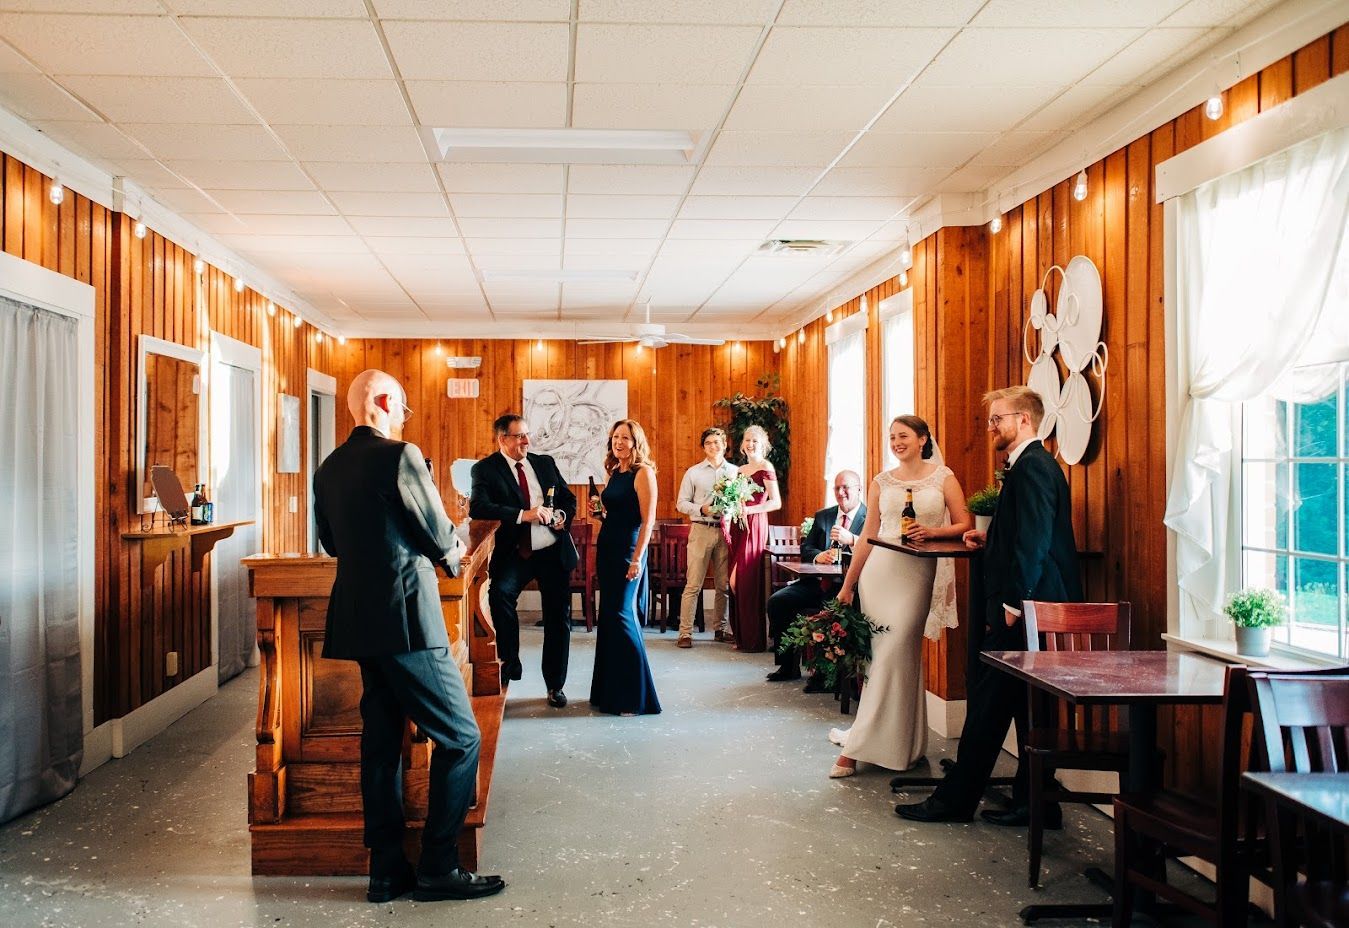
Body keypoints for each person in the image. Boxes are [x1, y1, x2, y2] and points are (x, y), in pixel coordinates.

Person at [313, 369, 504, 903]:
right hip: (406, 617)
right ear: (383, 401)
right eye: (402, 406)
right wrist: (451, 553)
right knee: (461, 737)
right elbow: (439, 533)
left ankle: (386, 870)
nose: (404, 417)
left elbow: (331, 543)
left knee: (381, 744)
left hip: (357, 619)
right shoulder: (401, 455)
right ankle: (439, 866)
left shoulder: (328, 468)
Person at [897, 387, 1080, 824]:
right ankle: (1036, 801)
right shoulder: (1031, 465)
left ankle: (955, 801)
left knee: (987, 706)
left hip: (1028, 609)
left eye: (998, 418)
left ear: (1024, 420)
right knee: (1017, 705)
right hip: (1032, 607)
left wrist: (1014, 605)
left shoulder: (1033, 467)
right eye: (991, 419)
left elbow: (1035, 542)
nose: (992, 427)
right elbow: (1024, 532)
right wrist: (990, 537)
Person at [828, 416, 969, 778]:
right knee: (882, 660)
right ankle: (898, 745)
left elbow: (965, 523)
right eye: (892, 437)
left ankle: (865, 747)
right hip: (879, 573)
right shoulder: (881, 481)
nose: (896, 442)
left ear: (922, 439)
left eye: (903, 436)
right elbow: (868, 534)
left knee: (898, 654)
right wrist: (848, 585)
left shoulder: (943, 477)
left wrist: (933, 533)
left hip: (916, 575)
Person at [469, 414, 578, 708]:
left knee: (558, 617)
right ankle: (510, 661)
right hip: (516, 553)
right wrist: (523, 515)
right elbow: (478, 507)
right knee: (499, 595)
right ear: (502, 439)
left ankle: (555, 685)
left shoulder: (544, 463)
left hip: (552, 549)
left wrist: (562, 517)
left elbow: (568, 500)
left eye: (527, 435)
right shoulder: (485, 469)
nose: (526, 441)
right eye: (519, 436)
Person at [589, 420, 662, 716]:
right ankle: (607, 693)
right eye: (615, 437)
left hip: (628, 551)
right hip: (607, 546)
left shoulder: (643, 473)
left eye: (625, 438)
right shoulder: (614, 472)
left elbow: (648, 521)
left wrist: (637, 559)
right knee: (608, 617)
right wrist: (600, 515)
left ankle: (634, 697)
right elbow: (616, 514)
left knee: (622, 615)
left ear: (636, 442)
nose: (619, 442)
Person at [766, 470, 865, 684]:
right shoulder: (824, 516)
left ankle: (825, 675)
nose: (841, 492)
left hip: (847, 587)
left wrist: (852, 539)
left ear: (859, 489)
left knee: (829, 608)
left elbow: (873, 548)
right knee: (778, 601)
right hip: (815, 582)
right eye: (837, 488)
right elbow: (806, 548)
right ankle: (788, 666)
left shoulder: (869, 517)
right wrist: (819, 556)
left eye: (846, 487)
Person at [673, 427, 738, 648]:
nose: (713, 446)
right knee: (693, 584)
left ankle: (720, 629)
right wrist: (702, 509)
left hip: (726, 531)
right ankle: (685, 633)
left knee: (723, 585)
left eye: (717, 442)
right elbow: (681, 504)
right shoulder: (694, 473)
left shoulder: (735, 472)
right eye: (708, 443)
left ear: (725, 445)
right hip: (701, 529)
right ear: (703, 447)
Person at [727, 425, 782, 652]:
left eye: (755, 441)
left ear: (763, 445)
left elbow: (776, 502)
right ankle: (742, 637)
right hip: (738, 526)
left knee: (743, 579)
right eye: (747, 440)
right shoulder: (740, 470)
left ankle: (753, 638)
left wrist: (749, 510)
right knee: (735, 580)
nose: (750, 444)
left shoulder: (765, 467)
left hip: (755, 524)